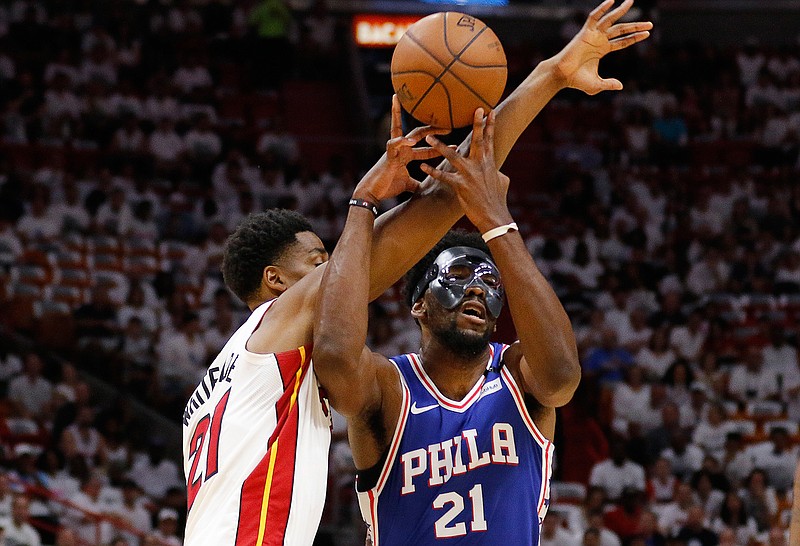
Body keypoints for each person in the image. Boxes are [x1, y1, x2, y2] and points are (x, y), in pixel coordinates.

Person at [181, 1, 652, 543]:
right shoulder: (285, 325)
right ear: (277, 282)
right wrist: (363, 202)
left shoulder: (219, 385)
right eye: (320, 264)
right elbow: (435, 211)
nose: (340, 276)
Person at [313, 98, 580, 546]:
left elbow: (563, 376)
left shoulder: (517, 375)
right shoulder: (388, 385)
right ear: (418, 304)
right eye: (458, 275)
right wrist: (364, 203)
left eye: (490, 281)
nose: (478, 288)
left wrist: (496, 222)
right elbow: (335, 359)